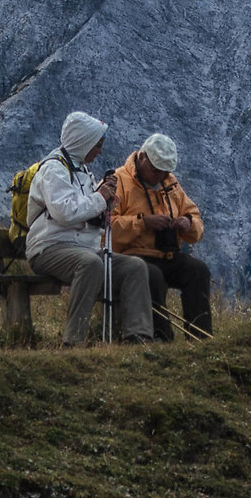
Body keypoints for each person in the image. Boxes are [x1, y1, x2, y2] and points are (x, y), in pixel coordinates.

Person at [24, 111, 155, 345]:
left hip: (81, 247)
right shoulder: (54, 169)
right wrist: (100, 197)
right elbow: (64, 213)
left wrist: (105, 202)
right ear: (83, 142)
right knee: (90, 263)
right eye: (97, 145)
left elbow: (87, 211)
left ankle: (137, 336)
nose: (99, 151)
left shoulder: (82, 170)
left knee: (135, 266)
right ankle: (74, 340)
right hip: (49, 247)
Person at [106, 132, 210, 340]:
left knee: (198, 271)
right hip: (132, 256)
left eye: (164, 172)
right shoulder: (119, 181)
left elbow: (196, 220)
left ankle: (200, 337)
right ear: (142, 157)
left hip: (168, 254)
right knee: (153, 277)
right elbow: (108, 229)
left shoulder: (170, 184)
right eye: (155, 170)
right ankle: (161, 337)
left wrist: (187, 223)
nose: (159, 176)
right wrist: (143, 222)